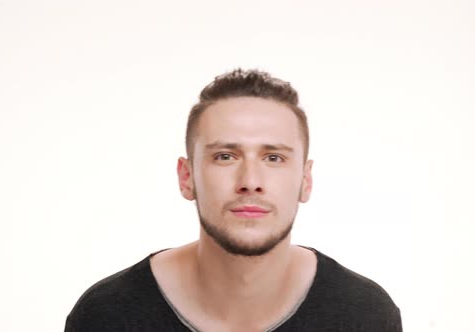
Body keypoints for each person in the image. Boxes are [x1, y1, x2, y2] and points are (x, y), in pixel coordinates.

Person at [65, 69, 402, 331]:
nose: (250, 182)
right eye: (225, 156)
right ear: (187, 177)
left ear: (305, 180)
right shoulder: (108, 315)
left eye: (274, 158)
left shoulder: (365, 314)